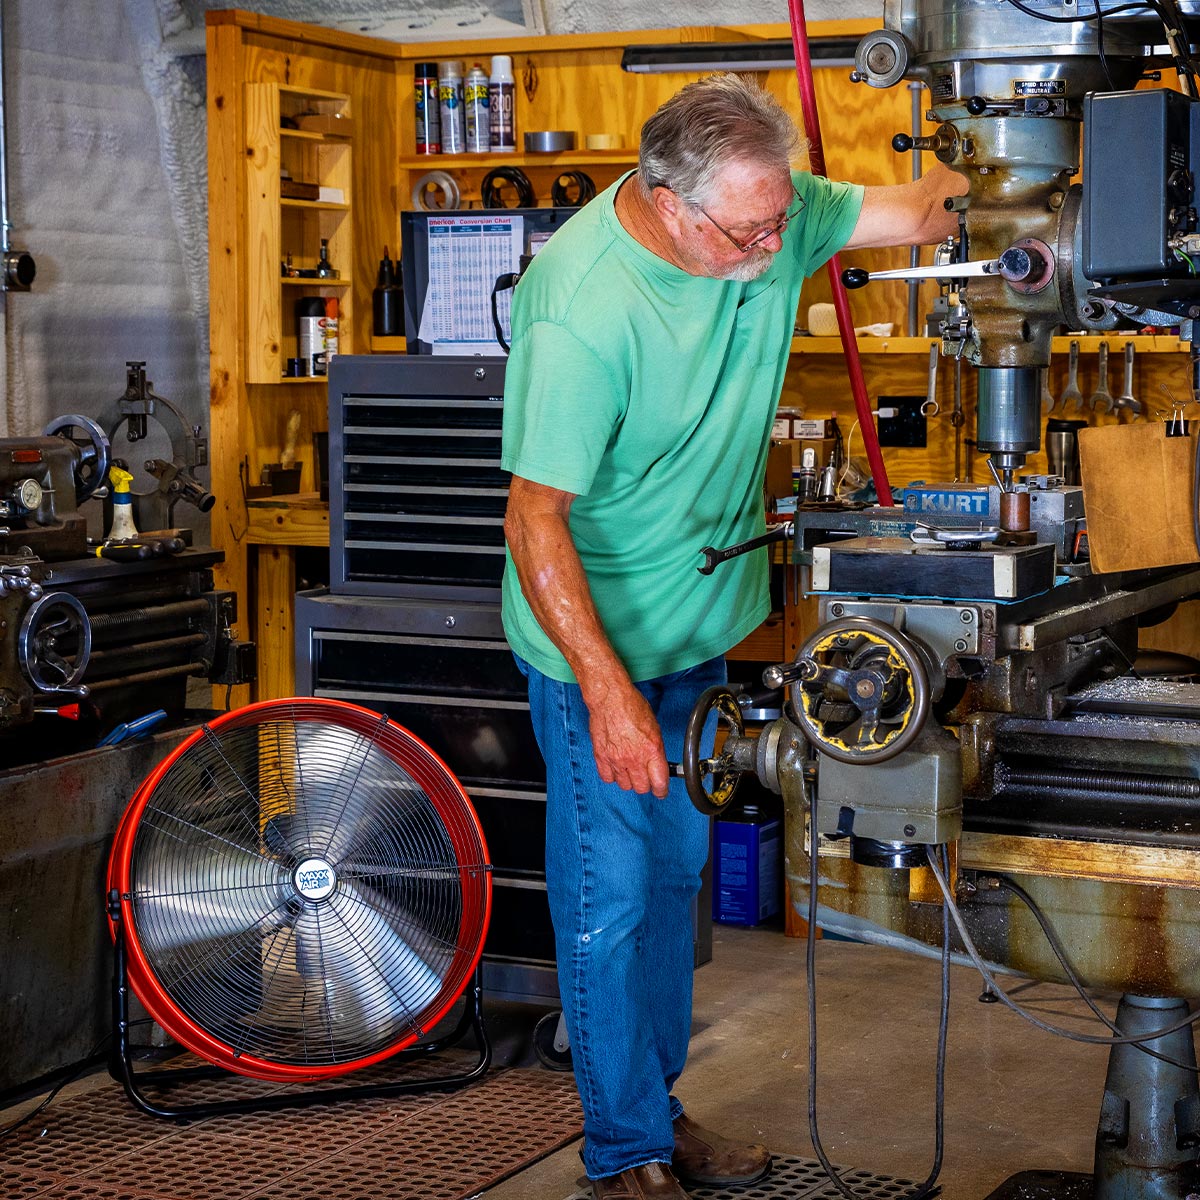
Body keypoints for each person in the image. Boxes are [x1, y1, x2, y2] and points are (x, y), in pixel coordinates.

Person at [500, 73, 963, 1200]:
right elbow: (533, 519)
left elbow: (917, 210)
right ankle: (624, 1161)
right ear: (667, 202)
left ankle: (656, 1115)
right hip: (594, 646)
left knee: (672, 879)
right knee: (609, 900)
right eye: (749, 233)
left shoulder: (767, 207)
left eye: (779, 223)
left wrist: (976, 160)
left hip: (698, 621)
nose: (773, 252)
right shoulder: (580, 306)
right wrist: (606, 693)